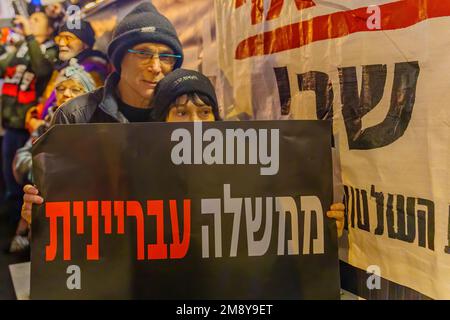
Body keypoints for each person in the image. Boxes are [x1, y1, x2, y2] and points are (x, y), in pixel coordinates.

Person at [21, 2, 184, 223]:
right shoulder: (75, 117)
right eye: (143, 53)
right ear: (118, 59)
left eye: (166, 57)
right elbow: (55, 196)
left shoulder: (183, 115)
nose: (156, 67)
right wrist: (39, 213)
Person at [151, 68, 346, 237]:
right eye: (182, 113)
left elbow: (276, 239)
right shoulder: (144, 183)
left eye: (204, 112)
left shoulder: (246, 176)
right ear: (162, 122)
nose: (195, 124)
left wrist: (322, 230)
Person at [10, 60, 96, 253]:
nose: (66, 94)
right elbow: (21, 159)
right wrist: (44, 172)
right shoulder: (44, 126)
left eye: (75, 90)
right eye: (61, 88)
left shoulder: (99, 129)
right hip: (49, 215)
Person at [0, 11, 57, 223]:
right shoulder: (22, 47)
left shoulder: (50, 49)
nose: (30, 22)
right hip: (11, 122)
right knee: (9, 175)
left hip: (29, 124)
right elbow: (3, 67)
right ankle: (11, 222)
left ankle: (21, 227)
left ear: (50, 29)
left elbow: (42, 70)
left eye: (36, 20)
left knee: (26, 179)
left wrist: (31, 38)